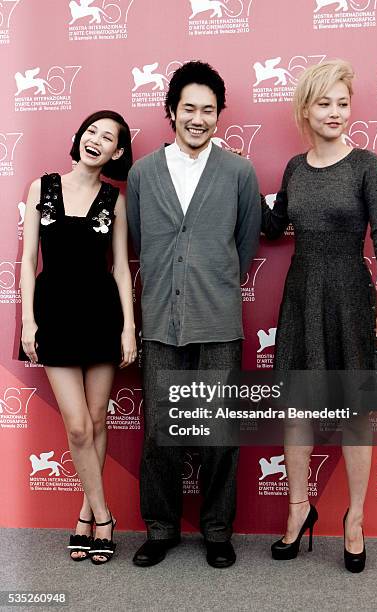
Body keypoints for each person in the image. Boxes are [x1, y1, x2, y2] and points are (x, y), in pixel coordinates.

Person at [261, 60, 377, 572]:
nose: (336, 112)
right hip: (302, 297)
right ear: (305, 109)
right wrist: (233, 180)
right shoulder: (295, 168)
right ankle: (299, 509)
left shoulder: (367, 165)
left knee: (356, 414)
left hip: (351, 297)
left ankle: (355, 519)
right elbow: (274, 226)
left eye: (343, 103)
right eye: (325, 103)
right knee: (297, 408)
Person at [127, 61, 261, 568]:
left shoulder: (240, 172)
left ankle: (217, 529)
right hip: (161, 320)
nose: (198, 118)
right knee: (161, 430)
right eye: (189, 108)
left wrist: (212, 283)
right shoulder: (142, 174)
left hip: (219, 322)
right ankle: (160, 528)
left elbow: (244, 245)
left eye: (209, 109)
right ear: (172, 111)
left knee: (219, 434)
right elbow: (143, 243)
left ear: (219, 115)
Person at [19, 110, 136, 564]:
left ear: (116, 153)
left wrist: (128, 326)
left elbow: (121, 269)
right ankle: (105, 517)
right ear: (79, 137)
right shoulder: (41, 188)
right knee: (77, 426)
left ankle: (86, 514)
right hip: (55, 315)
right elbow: (29, 261)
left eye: (108, 138)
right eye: (92, 131)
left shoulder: (114, 199)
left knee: (98, 420)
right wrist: (28, 322)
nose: (97, 140)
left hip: (101, 315)